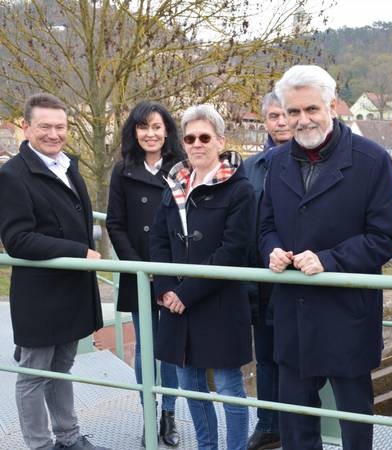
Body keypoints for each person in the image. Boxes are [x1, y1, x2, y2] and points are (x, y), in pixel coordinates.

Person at [260, 65, 392, 450]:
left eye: (311, 109)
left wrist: (329, 260)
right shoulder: (276, 162)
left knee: (354, 421)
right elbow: (266, 226)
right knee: (295, 424)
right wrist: (272, 250)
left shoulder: (372, 160)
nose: (302, 120)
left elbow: (385, 237)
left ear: (333, 106)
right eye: (293, 111)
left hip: (346, 312)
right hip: (292, 311)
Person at [0, 93, 108, 450]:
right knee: (34, 375)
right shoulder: (12, 175)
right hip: (41, 295)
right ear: (26, 127)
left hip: (72, 290)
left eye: (60, 126)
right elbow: (18, 239)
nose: (53, 134)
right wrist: (79, 252)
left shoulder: (67, 165)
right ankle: (40, 445)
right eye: (44, 126)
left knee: (62, 368)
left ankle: (68, 438)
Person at [149, 104, 254, 450]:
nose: (196, 144)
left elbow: (233, 251)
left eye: (205, 137)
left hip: (219, 303)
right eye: (190, 138)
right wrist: (166, 289)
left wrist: (186, 293)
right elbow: (159, 239)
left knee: (228, 388)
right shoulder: (173, 185)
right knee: (190, 387)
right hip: (177, 305)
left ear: (220, 141)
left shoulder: (239, 189)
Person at [106, 101, 185, 447]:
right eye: (143, 127)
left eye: (156, 127)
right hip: (138, 273)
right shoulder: (122, 170)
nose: (150, 134)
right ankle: (148, 413)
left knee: (171, 347)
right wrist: (138, 266)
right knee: (145, 348)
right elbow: (115, 223)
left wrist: (169, 267)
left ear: (166, 131)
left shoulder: (182, 168)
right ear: (134, 132)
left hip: (173, 272)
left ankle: (169, 414)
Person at [245, 91, 292, 450]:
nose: (281, 122)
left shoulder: (312, 162)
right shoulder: (250, 168)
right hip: (261, 279)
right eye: (273, 116)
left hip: (299, 277)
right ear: (265, 121)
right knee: (265, 357)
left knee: (296, 358)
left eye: (285, 114)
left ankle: (298, 427)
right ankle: (268, 423)